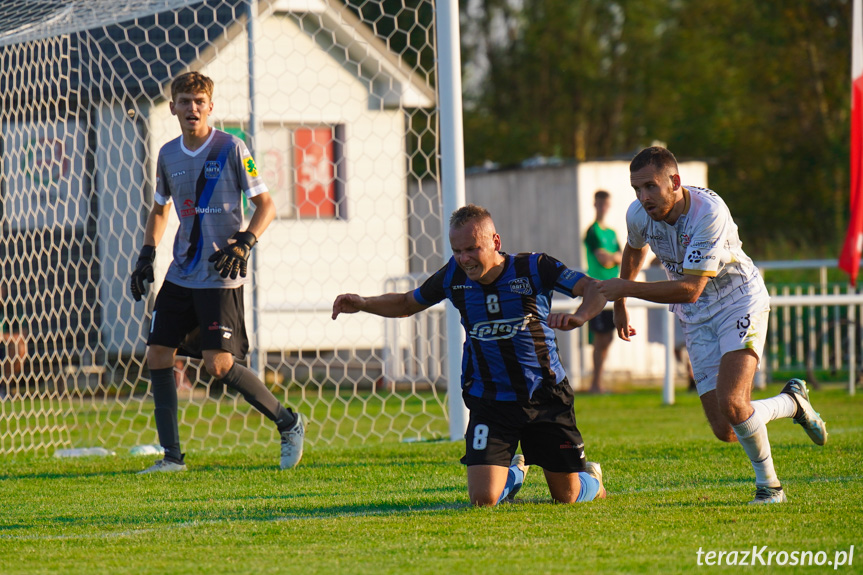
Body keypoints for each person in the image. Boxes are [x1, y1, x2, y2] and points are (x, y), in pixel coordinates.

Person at [332, 204, 611, 506]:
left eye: (472, 249)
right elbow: (405, 304)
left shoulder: (534, 267)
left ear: (495, 242)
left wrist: (581, 316)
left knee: (566, 497)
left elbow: (594, 288)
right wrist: (363, 303)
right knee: (482, 500)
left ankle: (591, 478)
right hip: (490, 400)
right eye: (457, 250)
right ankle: (513, 473)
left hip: (544, 396)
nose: (464, 259)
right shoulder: (453, 276)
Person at [597, 146, 827, 504]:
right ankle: (791, 402)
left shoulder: (709, 212)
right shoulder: (638, 214)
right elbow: (634, 248)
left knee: (734, 402)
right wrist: (621, 304)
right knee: (726, 429)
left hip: (738, 300)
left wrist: (624, 288)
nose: (642, 198)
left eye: (650, 187)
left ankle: (771, 488)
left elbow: (689, 289)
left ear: (674, 181)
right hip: (697, 314)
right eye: (636, 190)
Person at [129, 71, 303, 473]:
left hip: (221, 273)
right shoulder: (168, 154)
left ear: (211, 107)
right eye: (184, 101)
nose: (192, 108)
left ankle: (289, 423)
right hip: (181, 270)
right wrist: (146, 254)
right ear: (172, 107)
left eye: (199, 101)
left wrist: (245, 242)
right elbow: (159, 209)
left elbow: (267, 206)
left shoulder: (231, 147)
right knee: (157, 354)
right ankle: (172, 458)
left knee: (218, 366)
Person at [583, 190, 622, 393]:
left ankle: (598, 381)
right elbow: (603, 259)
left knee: (607, 338)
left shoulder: (612, 232)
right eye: (600, 203)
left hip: (613, 290)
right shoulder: (593, 231)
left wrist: (614, 257)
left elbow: (621, 256)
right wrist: (613, 257)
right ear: (595, 204)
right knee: (599, 337)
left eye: (606, 203)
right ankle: (595, 383)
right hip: (598, 289)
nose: (603, 207)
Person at [0, 284, 27, 399]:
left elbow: (22, 335)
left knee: (20, 348)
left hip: (4, 349)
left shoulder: (12, 307)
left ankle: (3, 388)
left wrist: (4, 337)